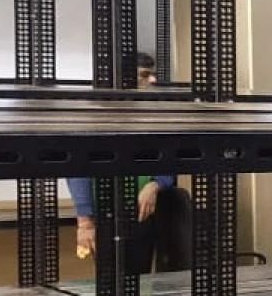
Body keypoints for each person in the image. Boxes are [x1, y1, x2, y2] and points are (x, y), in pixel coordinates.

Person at [66, 52, 185, 271]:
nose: (152, 81)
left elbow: (169, 159)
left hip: (144, 212)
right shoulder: (92, 117)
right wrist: (85, 221)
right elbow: (78, 170)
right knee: (112, 276)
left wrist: (156, 184)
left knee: (140, 274)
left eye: (152, 75)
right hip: (106, 212)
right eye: (145, 75)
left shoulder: (153, 116)